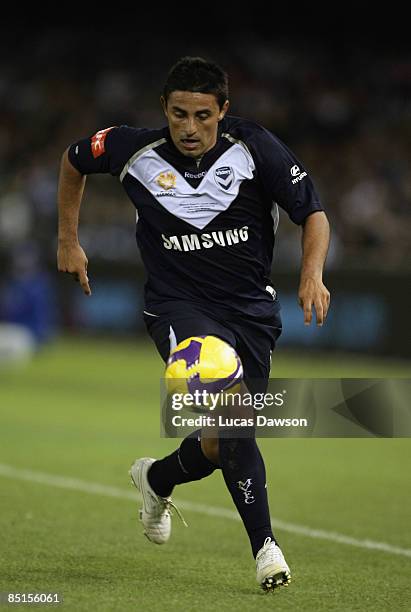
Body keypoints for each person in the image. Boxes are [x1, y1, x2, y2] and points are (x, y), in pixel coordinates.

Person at [57, 56, 330, 592]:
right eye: (179, 113)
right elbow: (72, 161)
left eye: (202, 115)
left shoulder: (254, 148)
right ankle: (266, 548)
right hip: (177, 307)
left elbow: (313, 213)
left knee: (221, 440)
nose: (189, 126)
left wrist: (312, 275)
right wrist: (68, 239)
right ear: (164, 109)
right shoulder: (132, 148)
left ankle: (156, 478)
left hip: (251, 312)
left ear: (223, 111)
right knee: (232, 413)